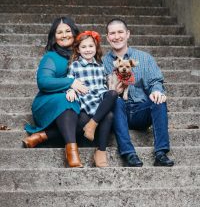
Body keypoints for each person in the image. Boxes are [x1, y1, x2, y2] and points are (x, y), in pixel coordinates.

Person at [103, 18, 174, 167]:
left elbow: (156, 81)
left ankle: (161, 153)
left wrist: (156, 91)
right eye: (112, 33)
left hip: (140, 112)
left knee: (159, 100)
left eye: (120, 32)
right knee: (115, 100)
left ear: (128, 34)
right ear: (107, 37)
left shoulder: (144, 58)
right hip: (117, 111)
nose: (117, 37)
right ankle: (128, 154)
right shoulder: (102, 62)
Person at [23, 17, 88, 168]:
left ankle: (43, 136)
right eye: (59, 32)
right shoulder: (51, 57)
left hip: (76, 103)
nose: (64, 35)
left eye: (67, 31)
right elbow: (44, 82)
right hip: (47, 103)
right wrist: (70, 82)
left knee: (87, 121)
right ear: (54, 36)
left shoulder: (84, 53)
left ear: (74, 33)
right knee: (66, 100)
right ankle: (72, 153)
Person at [67, 30, 118, 167]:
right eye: (83, 47)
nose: (88, 50)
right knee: (109, 116)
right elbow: (70, 81)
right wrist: (71, 90)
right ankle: (100, 150)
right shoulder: (75, 66)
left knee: (113, 93)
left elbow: (104, 85)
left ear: (96, 48)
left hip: (100, 99)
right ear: (78, 49)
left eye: (91, 46)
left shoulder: (100, 66)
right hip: (86, 99)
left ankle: (92, 126)